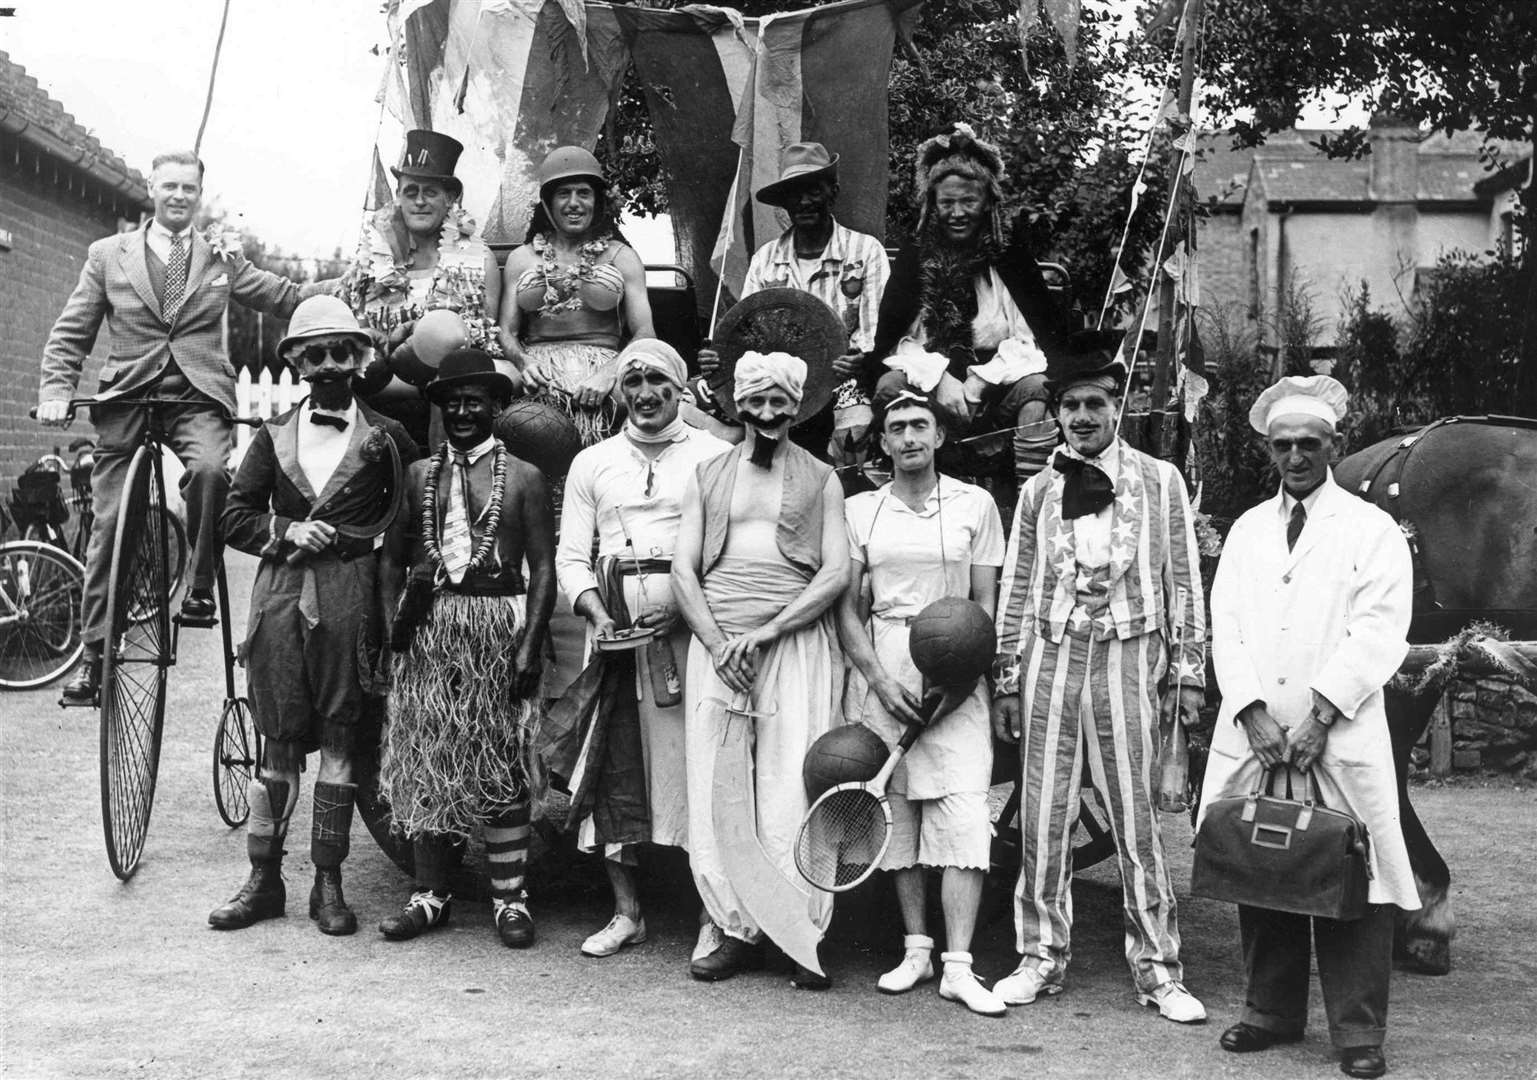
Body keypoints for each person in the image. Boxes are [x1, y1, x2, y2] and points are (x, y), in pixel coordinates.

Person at [39, 149, 321, 705]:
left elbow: (283, 297)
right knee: (111, 521)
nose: (177, 197)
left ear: (199, 194)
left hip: (197, 397)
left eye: (188, 189)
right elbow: (73, 331)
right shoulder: (107, 255)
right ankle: (96, 654)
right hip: (129, 397)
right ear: (151, 188)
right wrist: (55, 389)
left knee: (213, 471)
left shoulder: (219, 256)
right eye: (168, 187)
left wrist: (351, 282)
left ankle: (198, 584)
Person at [1201, 375, 1417, 1080]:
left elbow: (1379, 628)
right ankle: (1269, 1012)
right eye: (1282, 446)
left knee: (1354, 870)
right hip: (1260, 731)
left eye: (1308, 445)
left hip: (1339, 730)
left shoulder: (1369, 530)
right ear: (1268, 450)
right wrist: (1250, 711)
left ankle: (1357, 1033)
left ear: (1334, 446)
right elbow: (1224, 627)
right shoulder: (1245, 530)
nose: (1294, 457)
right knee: (1263, 860)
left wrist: (1322, 712)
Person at [991, 335, 1207, 1023]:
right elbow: (1017, 586)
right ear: (1054, 413)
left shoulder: (1159, 479)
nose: (1083, 417)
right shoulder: (1036, 491)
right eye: (1070, 406)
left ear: (1119, 407)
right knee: (1044, 813)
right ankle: (1039, 958)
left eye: (1095, 404)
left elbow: (1183, 579)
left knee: (1133, 818)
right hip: (1052, 658)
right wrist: (1005, 674)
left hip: (1129, 656)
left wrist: (1188, 672)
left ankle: (1158, 970)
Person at [208, 296, 419, 935]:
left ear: (359, 359)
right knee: (276, 743)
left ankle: (328, 881)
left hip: (350, 598)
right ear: (296, 361)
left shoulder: (387, 438)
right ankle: (262, 879)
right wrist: (286, 529)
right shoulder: (272, 436)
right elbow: (232, 517)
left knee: (338, 739)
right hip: (280, 597)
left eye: (340, 352)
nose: (328, 365)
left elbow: (416, 516)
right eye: (314, 353)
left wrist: (390, 580)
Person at [671, 351, 849, 987]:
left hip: (792, 647)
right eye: (756, 402)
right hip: (719, 653)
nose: (767, 414)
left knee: (789, 785)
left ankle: (798, 935)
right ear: (736, 405)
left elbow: (834, 572)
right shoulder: (708, 474)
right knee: (717, 786)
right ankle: (730, 927)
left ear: (798, 408)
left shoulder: (823, 478)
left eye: (780, 403)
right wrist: (720, 641)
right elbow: (683, 571)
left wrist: (770, 631)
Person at [550, 339, 731, 958]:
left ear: (681, 387)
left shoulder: (715, 455)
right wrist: (598, 615)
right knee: (613, 761)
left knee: (697, 765)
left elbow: (725, 553)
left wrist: (681, 608)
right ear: (621, 392)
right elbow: (571, 556)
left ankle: (714, 912)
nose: (646, 393)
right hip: (614, 630)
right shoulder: (591, 463)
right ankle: (628, 913)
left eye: (659, 380)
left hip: (690, 632)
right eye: (633, 383)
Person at [375, 349, 556, 947]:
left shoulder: (524, 477)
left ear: (496, 407)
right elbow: (393, 563)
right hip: (429, 636)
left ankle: (510, 899)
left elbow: (543, 566)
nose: (460, 410)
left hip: (495, 631)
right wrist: (392, 638)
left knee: (501, 763)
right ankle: (430, 897)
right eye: (450, 400)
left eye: (473, 400)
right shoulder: (419, 475)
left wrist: (530, 645)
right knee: (432, 763)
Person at [836, 389, 1007, 1016]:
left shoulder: (975, 504)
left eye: (920, 426)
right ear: (882, 442)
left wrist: (961, 677)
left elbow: (986, 603)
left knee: (961, 811)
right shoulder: (859, 511)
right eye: (896, 428)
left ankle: (959, 966)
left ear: (939, 436)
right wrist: (880, 680)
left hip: (958, 668)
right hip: (885, 663)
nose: (908, 437)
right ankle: (915, 949)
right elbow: (848, 612)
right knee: (898, 810)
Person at [866, 123, 1068, 485]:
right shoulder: (917, 258)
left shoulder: (1008, 256)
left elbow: (1028, 343)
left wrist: (979, 382)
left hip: (998, 381)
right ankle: (902, 491)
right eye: (946, 203)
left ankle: (1032, 497)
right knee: (888, 386)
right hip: (931, 380)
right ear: (932, 205)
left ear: (987, 203)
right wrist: (939, 378)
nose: (957, 213)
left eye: (968, 202)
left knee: (1038, 387)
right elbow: (900, 342)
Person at [697, 142, 889, 464]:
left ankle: (841, 497)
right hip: (774, 381)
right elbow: (748, 335)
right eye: (794, 193)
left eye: (813, 190)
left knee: (854, 430)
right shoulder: (766, 259)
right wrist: (720, 357)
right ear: (784, 203)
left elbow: (872, 336)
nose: (803, 201)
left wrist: (856, 360)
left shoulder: (865, 251)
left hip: (841, 380)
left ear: (833, 192)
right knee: (692, 401)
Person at [344, 129, 505, 449]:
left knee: (447, 378)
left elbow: (483, 338)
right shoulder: (372, 256)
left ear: (450, 198)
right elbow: (357, 325)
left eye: (430, 191)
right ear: (399, 197)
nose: (418, 201)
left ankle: (438, 476)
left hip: (447, 379)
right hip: (386, 373)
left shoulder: (478, 259)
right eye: (410, 191)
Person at [499, 146, 655, 446]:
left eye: (583, 193)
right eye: (563, 194)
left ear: (597, 201)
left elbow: (646, 332)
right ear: (546, 203)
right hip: (539, 364)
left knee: (635, 391)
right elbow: (507, 331)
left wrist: (609, 375)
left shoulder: (621, 256)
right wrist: (523, 362)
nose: (574, 203)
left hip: (604, 361)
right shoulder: (522, 258)